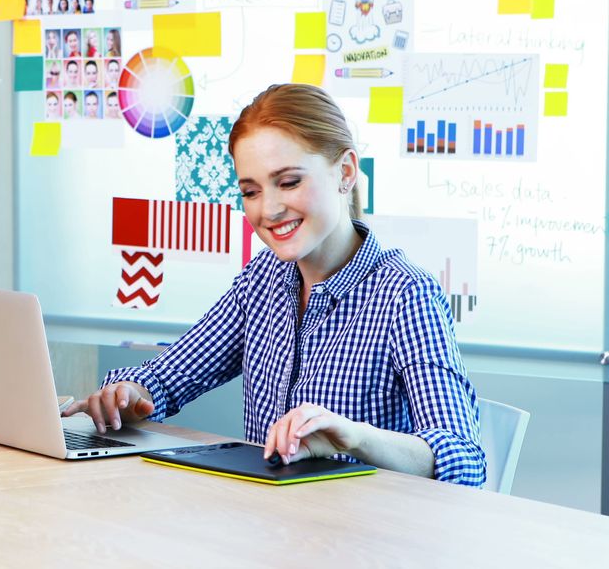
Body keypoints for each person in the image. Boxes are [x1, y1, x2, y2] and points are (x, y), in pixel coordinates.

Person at [63, 83, 486, 487]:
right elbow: (168, 378)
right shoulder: (261, 279)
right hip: (268, 528)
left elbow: (464, 460)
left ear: (345, 172)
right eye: (250, 191)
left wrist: (355, 437)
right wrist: (129, 394)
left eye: (289, 182)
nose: (269, 209)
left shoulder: (405, 294)